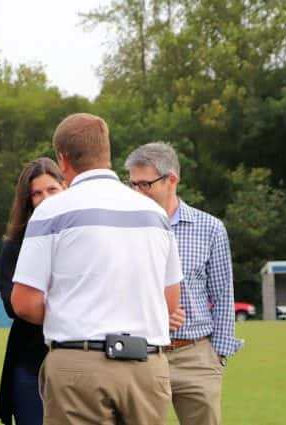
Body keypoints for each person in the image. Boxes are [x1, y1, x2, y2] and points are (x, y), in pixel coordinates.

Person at [11, 113, 183, 425]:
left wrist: (73, 312)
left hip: (79, 362)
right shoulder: (154, 213)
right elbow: (170, 301)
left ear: (62, 160)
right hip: (147, 364)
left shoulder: (51, 211)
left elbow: (24, 302)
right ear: (106, 152)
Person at [125, 142, 241, 425]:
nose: (137, 192)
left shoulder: (209, 228)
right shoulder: (124, 227)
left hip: (195, 355)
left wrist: (218, 355)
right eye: (132, 184)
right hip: (143, 354)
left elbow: (223, 293)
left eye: (145, 184)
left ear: (172, 180)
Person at [0, 158, 65, 425]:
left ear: (65, 187)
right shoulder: (15, 245)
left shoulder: (83, 236)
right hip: (29, 359)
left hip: (77, 360)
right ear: (27, 200)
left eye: (51, 190)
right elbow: (15, 305)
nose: (45, 199)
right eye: (37, 193)